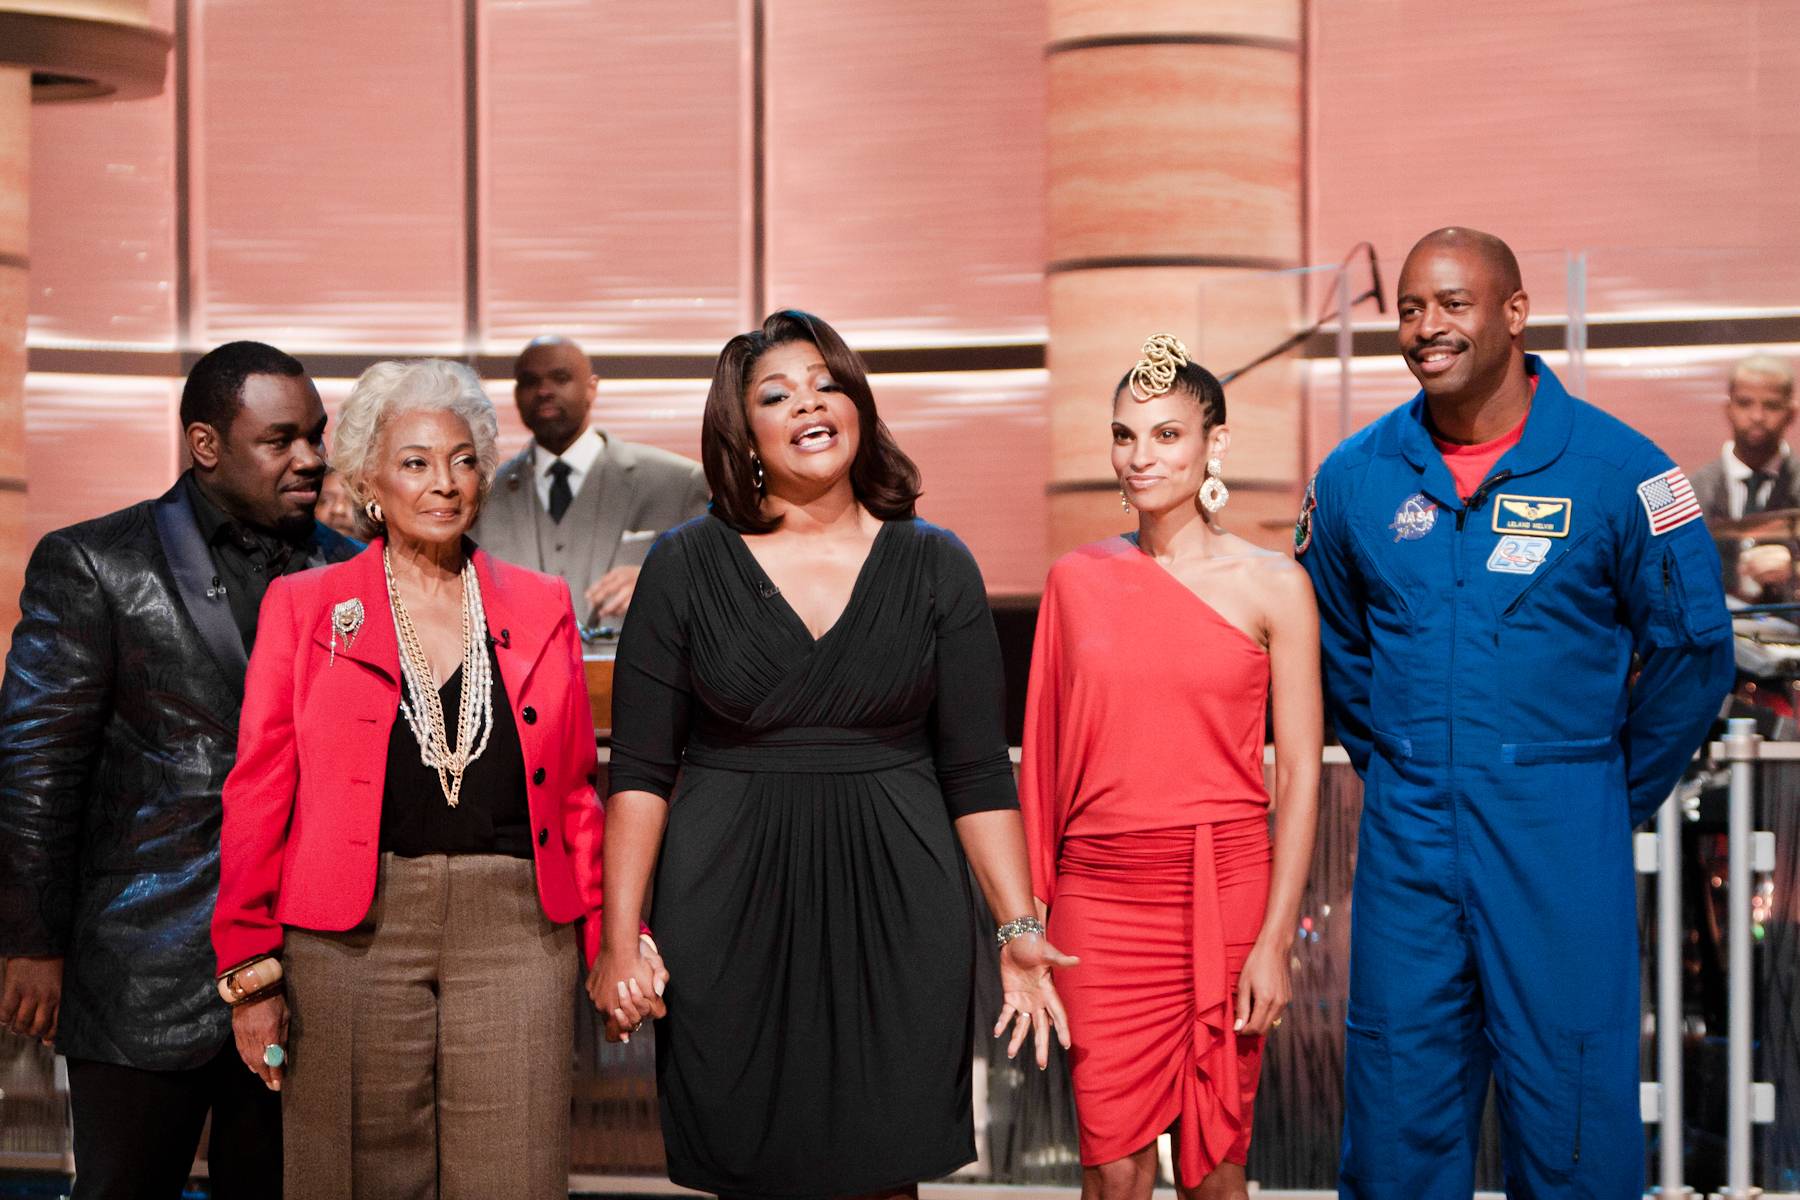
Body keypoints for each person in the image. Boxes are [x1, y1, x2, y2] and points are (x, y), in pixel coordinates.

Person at [592, 310, 1074, 1197]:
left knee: (886, 1168)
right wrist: (622, 939)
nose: (810, 405)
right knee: (750, 1164)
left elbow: (976, 773)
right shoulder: (684, 565)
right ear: (743, 434)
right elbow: (641, 772)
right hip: (726, 900)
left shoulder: (937, 564)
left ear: (858, 405)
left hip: (901, 901)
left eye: (827, 385)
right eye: (778, 395)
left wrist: (1017, 928)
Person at [1298, 227, 1733, 1198]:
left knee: (1570, 1112)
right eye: (1411, 308)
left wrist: (1603, 790)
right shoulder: (1356, 479)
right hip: (1409, 840)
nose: (1427, 326)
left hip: (1559, 835)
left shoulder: (1622, 473)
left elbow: (1695, 655)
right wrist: (1400, 762)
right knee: (1397, 1108)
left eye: (1453, 304)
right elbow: (1339, 648)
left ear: (1515, 312)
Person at [210, 358, 653, 1198]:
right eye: (415, 462)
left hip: (517, 931)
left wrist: (611, 938)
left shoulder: (543, 604)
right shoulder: (306, 607)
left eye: (462, 460)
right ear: (369, 481)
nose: (443, 483)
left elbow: (574, 798)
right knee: (353, 1178)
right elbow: (260, 790)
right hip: (350, 933)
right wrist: (251, 968)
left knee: (514, 1177)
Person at [0, 341, 358, 1199]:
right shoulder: (95, 561)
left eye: (316, 435)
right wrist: (31, 942)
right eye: (281, 440)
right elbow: (36, 771)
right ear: (205, 445)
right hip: (142, 964)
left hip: (308, 964)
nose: (311, 457)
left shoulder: (354, 569)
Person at [1019, 335, 1321, 1200]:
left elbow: (1300, 775)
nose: (1140, 456)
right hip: (1100, 903)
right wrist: (1026, 924)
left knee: (1217, 1171)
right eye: (1124, 435)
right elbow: (1042, 766)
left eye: (1166, 434)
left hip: (1224, 892)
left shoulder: (1275, 584)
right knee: (1111, 1173)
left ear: (1214, 443)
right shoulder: (1074, 580)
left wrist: (1275, 941)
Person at [471, 335, 709, 624]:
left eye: (560, 378)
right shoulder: (481, 496)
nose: (544, 391)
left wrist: (663, 582)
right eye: (530, 381)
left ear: (591, 387)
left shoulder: (678, 483)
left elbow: (716, 588)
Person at [1689, 355, 1800, 598]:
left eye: (1771, 405)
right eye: (1745, 403)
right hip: (1718, 619)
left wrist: (1795, 570)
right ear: (1728, 409)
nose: (1757, 416)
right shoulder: (1693, 490)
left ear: (1791, 413)